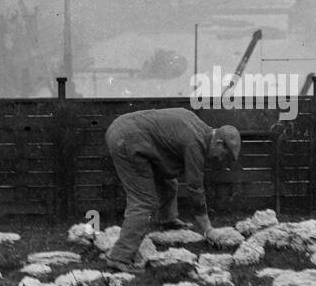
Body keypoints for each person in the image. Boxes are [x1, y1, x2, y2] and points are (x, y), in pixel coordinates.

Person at [103, 108, 241, 272]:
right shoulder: (194, 143)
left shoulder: (197, 125)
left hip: (127, 130)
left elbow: (167, 157)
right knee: (143, 201)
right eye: (223, 155)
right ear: (218, 143)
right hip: (126, 139)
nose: (219, 159)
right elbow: (195, 188)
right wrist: (207, 229)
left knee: (169, 182)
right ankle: (120, 257)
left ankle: (167, 219)